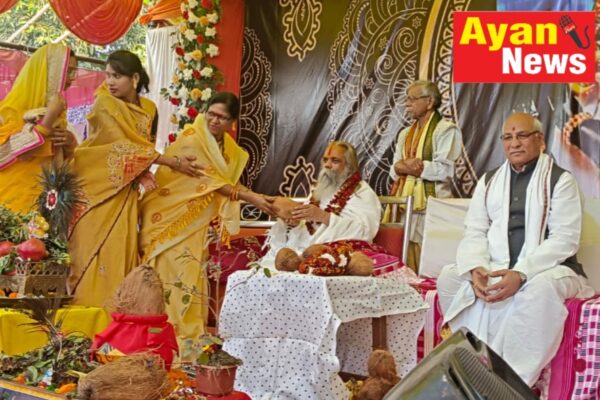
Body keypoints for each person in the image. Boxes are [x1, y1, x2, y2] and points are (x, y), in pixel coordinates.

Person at [437, 112, 594, 386]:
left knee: (539, 289)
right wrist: (476, 268)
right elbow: (474, 230)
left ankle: (510, 381)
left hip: (552, 269)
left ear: (540, 140)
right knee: (449, 277)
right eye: (508, 137)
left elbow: (565, 239)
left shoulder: (560, 180)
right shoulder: (489, 181)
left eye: (522, 136)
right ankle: (471, 362)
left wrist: (520, 274)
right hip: (497, 266)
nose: (514, 143)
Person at [139, 92, 276, 355]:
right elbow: (210, 181)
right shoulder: (192, 138)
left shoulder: (231, 151)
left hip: (195, 223)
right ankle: (164, 342)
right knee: (172, 277)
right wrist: (252, 198)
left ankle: (188, 340)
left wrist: (254, 196)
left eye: (222, 117)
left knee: (191, 275)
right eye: (211, 114)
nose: (214, 120)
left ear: (232, 122)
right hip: (169, 219)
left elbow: (227, 183)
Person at [68, 50, 200, 307]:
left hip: (124, 192)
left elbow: (144, 146)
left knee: (121, 252)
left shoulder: (149, 109)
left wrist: (143, 171)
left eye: (116, 76)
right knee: (93, 255)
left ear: (135, 78)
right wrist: (171, 163)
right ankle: (87, 318)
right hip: (97, 189)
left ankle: (117, 319)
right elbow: (119, 149)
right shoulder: (104, 104)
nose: (110, 82)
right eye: (107, 75)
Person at [262, 141, 381, 267]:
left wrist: (324, 217)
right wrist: (295, 224)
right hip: (306, 249)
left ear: (349, 165)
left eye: (335, 160)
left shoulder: (362, 193)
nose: (327, 165)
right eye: (325, 160)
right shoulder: (320, 190)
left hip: (338, 251)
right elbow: (310, 228)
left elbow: (365, 231)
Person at [385, 80, 463, 272]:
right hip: (406, 206)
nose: (407, 104)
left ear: (429, 102)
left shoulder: (446, 129)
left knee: (429, 261)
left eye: (412, 99)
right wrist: (406, 166)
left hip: (432, 207)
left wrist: (413, 167)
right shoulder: (405, 134)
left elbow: (445, 170)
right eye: (407, 99)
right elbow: (394, 170)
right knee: (404, 255)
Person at [0, 43, 78, 213]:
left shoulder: (59, 115)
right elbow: (4, 154)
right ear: (51, 72)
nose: (72, 78)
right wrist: (47, 120)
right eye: (68, 71)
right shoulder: (9, 111)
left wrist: (70, 144)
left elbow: (63, 166)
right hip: (10, 207)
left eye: (74, 72)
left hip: (44, 207)